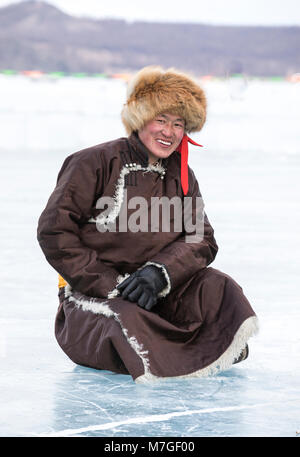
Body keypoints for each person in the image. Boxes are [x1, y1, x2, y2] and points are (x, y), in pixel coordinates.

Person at [37, 66, 258, 383]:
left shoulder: (183, 176)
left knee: (219, 287)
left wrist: (159, 273)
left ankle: (179, 349)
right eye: (161, 120)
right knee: (126, 321)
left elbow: (201, 239)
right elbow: (55, 231)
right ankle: (179, 352)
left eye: (178, 124)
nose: (169, 132)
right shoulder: (93, 162)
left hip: (159, 292)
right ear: (140, 119)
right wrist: (111, 283)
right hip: (97, 295)